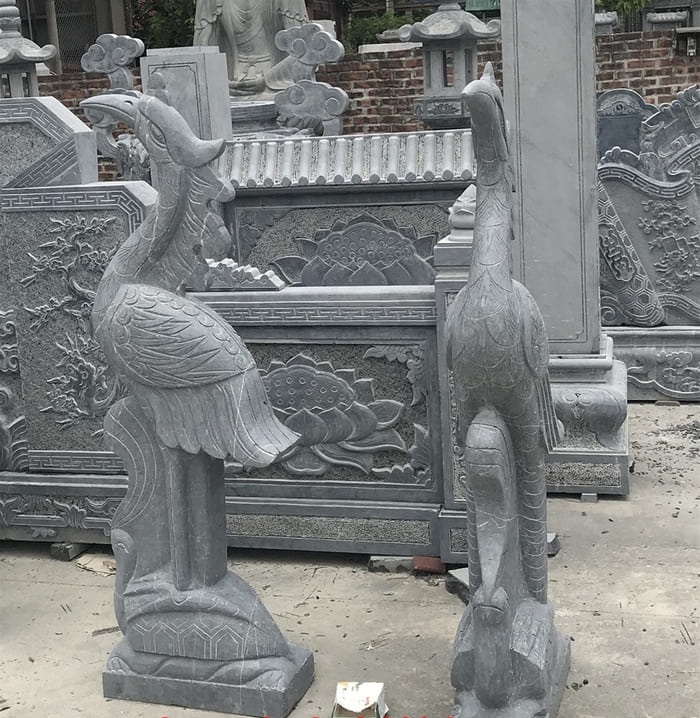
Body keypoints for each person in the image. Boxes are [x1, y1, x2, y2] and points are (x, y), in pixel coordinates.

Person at [193, 0, 309, 98]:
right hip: (230, 86)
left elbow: (305, 52)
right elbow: (200, 58)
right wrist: (220, 83)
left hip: (277, 85)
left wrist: (267, 81)